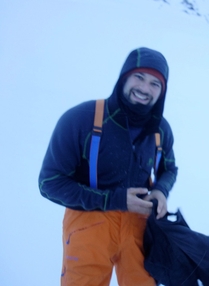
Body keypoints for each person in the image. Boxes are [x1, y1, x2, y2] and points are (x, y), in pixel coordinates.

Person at [38, 47, 178, 285]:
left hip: (140, 227)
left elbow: (169, 169)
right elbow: (50, 183)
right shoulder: (81, 119)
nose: (145, 89)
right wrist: (111, 200)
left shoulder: (160, 129)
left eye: (155, 84)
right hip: (89, 225)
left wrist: (160, 190)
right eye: (139, 77)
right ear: (124, 77)